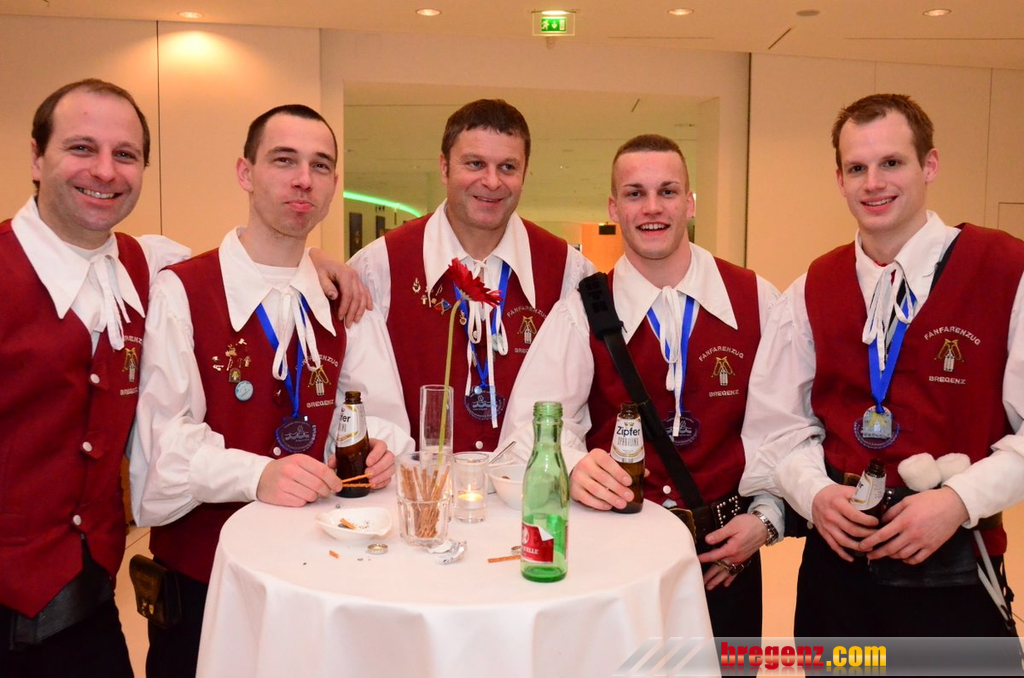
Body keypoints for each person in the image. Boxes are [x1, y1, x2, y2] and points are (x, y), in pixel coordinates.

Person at [128, 104, 412, 678]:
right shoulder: (183, 290)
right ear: (246, 172)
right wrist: (257, 475)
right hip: (208, 586)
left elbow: (381, 416)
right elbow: (162, 450)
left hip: (324, 578)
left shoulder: (345, 300)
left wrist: (380, 449)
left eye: (320, 165)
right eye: (284, 160)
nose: (303, 179)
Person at [741, 93, 1024, 638]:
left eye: (891, 162)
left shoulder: (1006, 271)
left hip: (956, 567)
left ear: (929, 165)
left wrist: (958, 500)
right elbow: (776, 425)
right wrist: (814, 494)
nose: (873, 183)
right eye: (857, 168)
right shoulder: (811, 288)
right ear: (840, 179)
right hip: (838, 570)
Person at [498, 134, 782, 638]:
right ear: (614, 208)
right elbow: (527, 429)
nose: (652, 208)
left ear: (690, 203)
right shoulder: (580, 311)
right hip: (617, 557)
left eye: (667, 192)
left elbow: (784, 425)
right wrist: (573, 464)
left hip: (728, 559)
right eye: (635, 193)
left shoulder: (756, 299)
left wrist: (766, 520)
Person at [0, 78, 189, 678]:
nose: (105, 171)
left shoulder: (145, 263)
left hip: (88, 595)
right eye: (82, 148)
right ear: (37, 157)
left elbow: (242, 268)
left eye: (125, 154)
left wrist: (316, 262)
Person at [349, 99, 593, 454]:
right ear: (444, 168)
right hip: (416, 485)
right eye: (475, 163)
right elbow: (359, 401)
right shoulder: (377, 266)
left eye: (507, 167)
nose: (491, 181)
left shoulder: (571, 272)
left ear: (524, 173)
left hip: (526, 487)